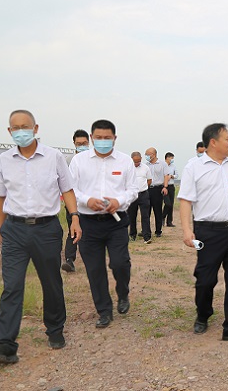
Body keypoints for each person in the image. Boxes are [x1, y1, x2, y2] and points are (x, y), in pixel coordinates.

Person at [0, 110, 81, 364]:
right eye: (15, 128)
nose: (21, 131)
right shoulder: (4, 160)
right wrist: (1, 227)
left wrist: (74, 217)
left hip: (46, 229)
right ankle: (6, 345)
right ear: (9, 131)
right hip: (14, 229)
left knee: (51, 282)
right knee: (12, 286)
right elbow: (2, 196)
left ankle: (55, 330)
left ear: (36, 128)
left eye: (25, 126)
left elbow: (67, 189)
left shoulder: (53, 157)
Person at [179, 123, 228, 342]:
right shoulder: (194, 167)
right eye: (227, 139)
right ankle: (203, 314)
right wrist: (187, 230)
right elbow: (185, 200)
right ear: (213, 142)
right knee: (205, 279)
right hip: (209, 232)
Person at [70, 119, 138, 328]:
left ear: (114, 138)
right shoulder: (79, 161)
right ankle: (104, 311)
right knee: (94, 269)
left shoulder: (125, 161)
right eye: (98, 138)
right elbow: (71, 190)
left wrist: (119, 201)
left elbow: (133, 190)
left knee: (120, 262)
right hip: (88, 223)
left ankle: (123, 293)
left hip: (116, 222)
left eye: (107, 138)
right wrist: (87, 200)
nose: (102, 141)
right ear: (91, 138)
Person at [61, 129, 90, 272]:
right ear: (74, 144)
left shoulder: (94, 160)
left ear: (89, 142)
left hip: (90, 202)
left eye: (84, 143)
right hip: (73, 202)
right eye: (79, 144)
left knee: (90, 230)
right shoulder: (68, 161)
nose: (82, 146)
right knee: (73, 230)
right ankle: (69, 260)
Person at [127, 152, 152, 244]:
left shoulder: (146, 168)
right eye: (135, 161)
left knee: (145, 215)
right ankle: (132, 235)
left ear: (141, 159)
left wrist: (143, 187)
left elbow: (149, 180)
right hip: (132, 195)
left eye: (138, 161)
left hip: (143, 194)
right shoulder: (128, 168)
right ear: (131, 159)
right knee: (132, 215)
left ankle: (147, 236)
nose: (137, 163)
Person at [144, 147, 169, 238]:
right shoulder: (146, 165)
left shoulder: (163, 164)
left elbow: (166, 176)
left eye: (147, 154)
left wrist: (165, 187)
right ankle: (146, 231)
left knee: (157, 210)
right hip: (147, 189)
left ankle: (158, 231)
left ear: (153, 154)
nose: (146, 156)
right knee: (146, 211)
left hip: (158, 189)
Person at [162, 152, 177, 228]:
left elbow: (176, 175)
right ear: (167, 158)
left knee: (171, 204)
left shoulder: (173, 166)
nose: (172, 160)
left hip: (171, 186)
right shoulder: (162, 165)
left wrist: (171, 176)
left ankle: (169, 221)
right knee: (167, 204)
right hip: (164, 187)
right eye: (171, 158)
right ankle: (162, 216)